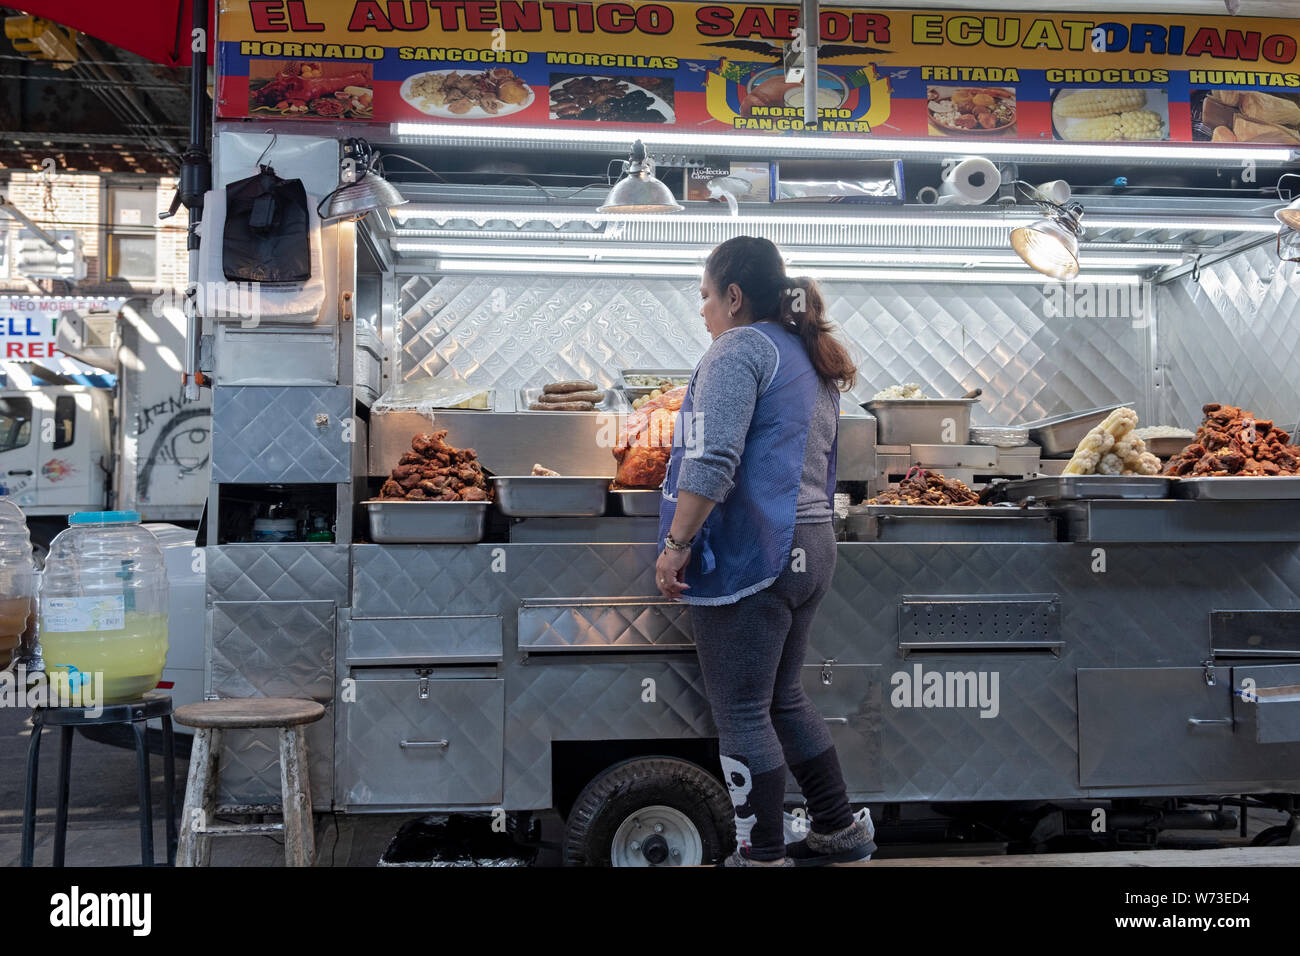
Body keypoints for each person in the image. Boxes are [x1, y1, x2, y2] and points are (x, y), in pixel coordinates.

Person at [656, 235, 875, 867]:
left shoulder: (739, 349)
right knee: (784, 698)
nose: (701, 312)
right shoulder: (805, 352)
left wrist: (677, 545)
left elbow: (714, 458)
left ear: (733, 296)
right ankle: (839, 832)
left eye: (704, 297)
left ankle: (763, 857)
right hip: (810, 546)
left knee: (743, 711)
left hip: (760, 550)